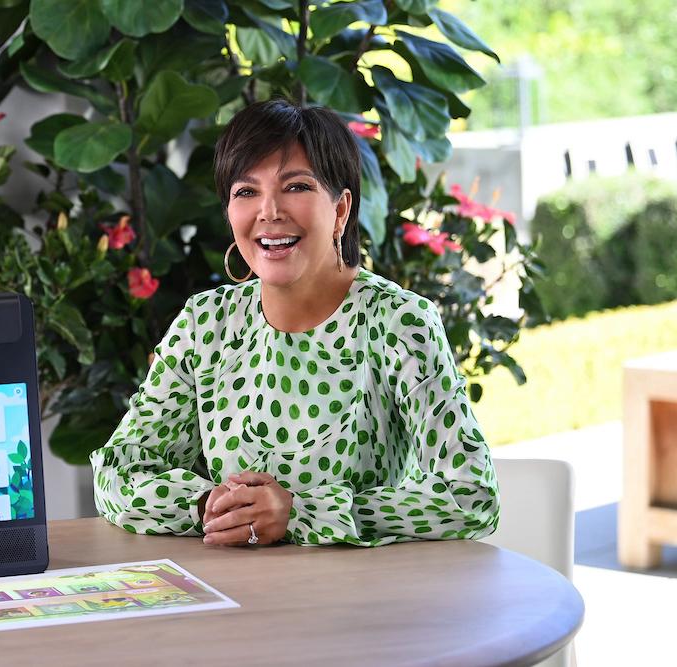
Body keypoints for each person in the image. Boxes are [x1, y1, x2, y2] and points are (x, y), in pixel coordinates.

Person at [90, 98, 500, 547]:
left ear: (341, 210)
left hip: (362, 601)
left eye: (296, 187)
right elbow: (119, 470)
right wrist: (212, 505)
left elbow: (471, 495)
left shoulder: (398, 322)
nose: (269, 212)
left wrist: (301, 514)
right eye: (246, 192)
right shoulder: (204, 325)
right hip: (231, 597)